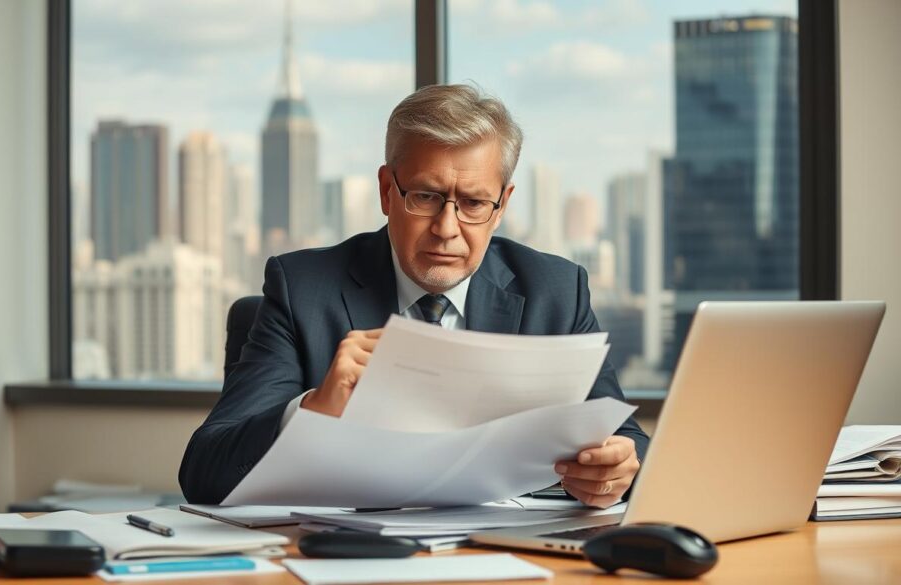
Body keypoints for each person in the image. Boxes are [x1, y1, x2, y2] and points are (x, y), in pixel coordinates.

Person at [180, 84, 649, 508]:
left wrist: (617, 471)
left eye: (472, 203)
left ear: (501, 206)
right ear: (387, 191)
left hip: (506, 557)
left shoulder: (555, 291)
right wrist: (313, 410)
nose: (447, 229)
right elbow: (204, 471)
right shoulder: (302, 287)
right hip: (348, 560)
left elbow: (628, 444)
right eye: (425, 196)